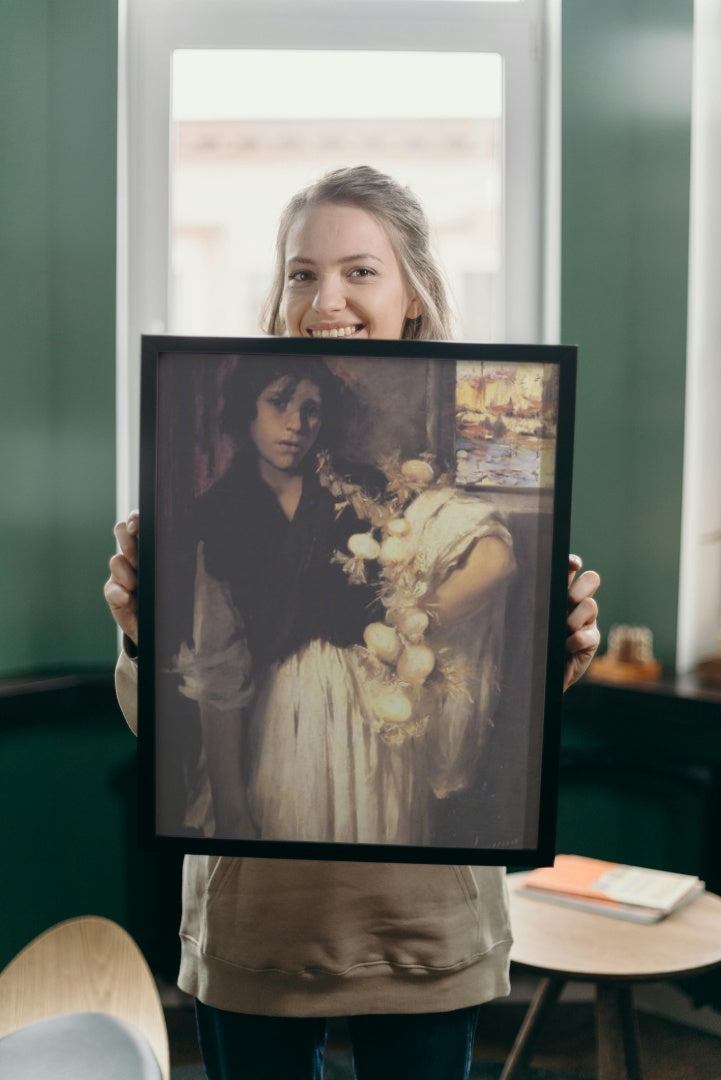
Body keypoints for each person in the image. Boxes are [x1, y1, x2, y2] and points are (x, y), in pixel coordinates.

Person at [105, 165, 601, 1080]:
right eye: (301, 272)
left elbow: (478, 658)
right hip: (261, 909)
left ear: (412, 291)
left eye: (359, 271)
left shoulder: (398, 488)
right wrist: (141, 633)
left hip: (418, 910)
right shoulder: (201, 520)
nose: (324, 297)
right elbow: (173, 714)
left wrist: (554, 649)